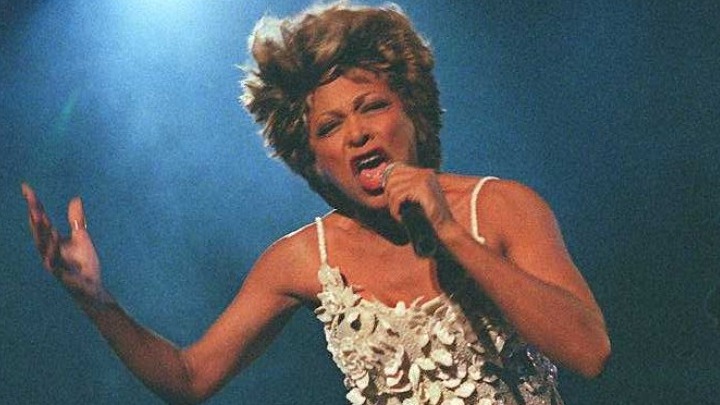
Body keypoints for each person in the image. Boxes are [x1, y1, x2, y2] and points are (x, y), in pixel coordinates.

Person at [22, 2, 610, 404]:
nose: (357, 133)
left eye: (372, 106)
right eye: (330, 126)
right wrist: (97, 302)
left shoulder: (501, 207)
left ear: (412, 112)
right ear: (311, 159)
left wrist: (451, 235)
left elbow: (589, 352)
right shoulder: (303, 260)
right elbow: (189, 378)